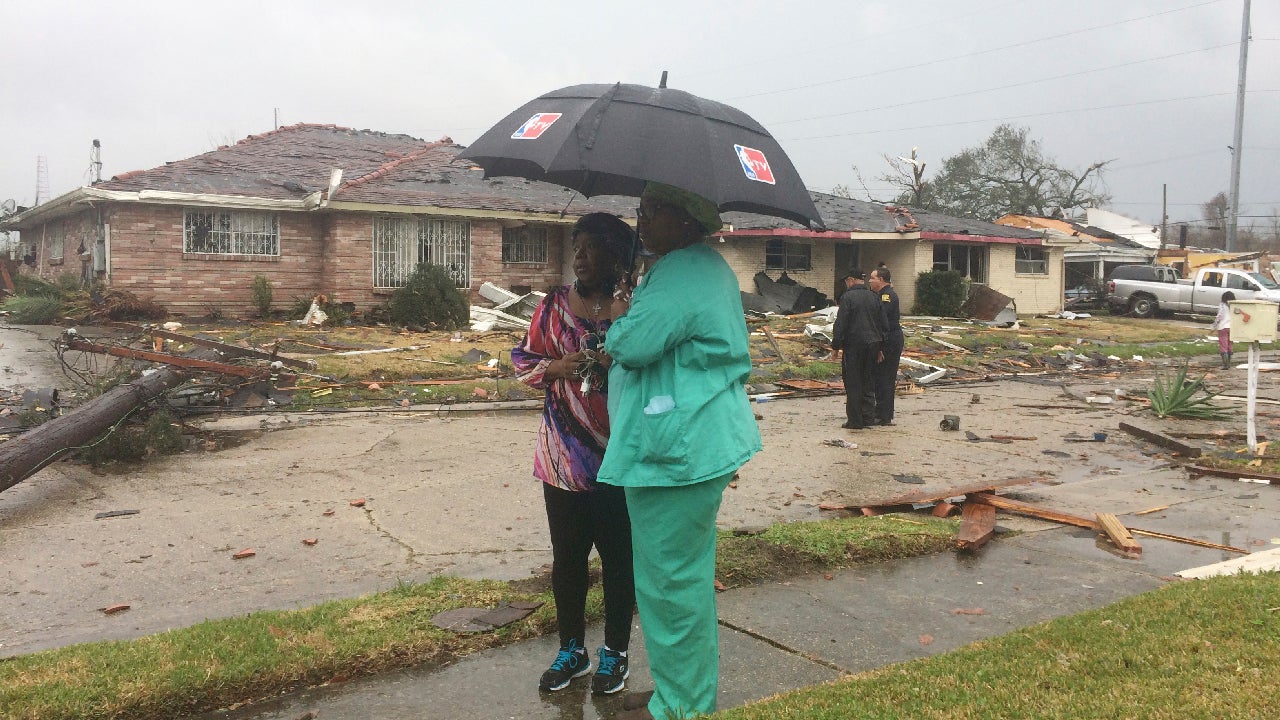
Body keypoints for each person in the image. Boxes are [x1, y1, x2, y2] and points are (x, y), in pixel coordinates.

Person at [601, 182, 762, 720]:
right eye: (640, 208)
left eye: (652, 211)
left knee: (670, 584)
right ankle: (683, 691)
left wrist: (623, 314)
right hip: (695, 437)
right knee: (682, 578)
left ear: (687, 220)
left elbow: (632, 344)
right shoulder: (705, 268)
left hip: (676, 448)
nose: (640, 220)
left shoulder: (681, 271)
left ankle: (681, 707)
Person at [510, 212, 637, 696]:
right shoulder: (554, 306)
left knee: (619, 560)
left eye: (591, 248)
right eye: (576, 247)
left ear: (617, 254)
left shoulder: (635, 306)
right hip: (562, 454)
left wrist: (619, 345)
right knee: (568, 560)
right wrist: (557, 366)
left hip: (621, 455)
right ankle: (571, 650)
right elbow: (522, 360)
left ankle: (616, 653)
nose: (579, 257)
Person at [832, 268, 888, 429]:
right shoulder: (874, 297)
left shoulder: (847, 297)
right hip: (873, 345)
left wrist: (836, 346)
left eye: (846, 281)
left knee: (853, 382)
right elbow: (883, 324)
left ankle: (855, 420)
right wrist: (880, 347)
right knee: (868, 380)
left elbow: (841, 324)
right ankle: (868, 417)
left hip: (854, 346)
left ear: (850, 280)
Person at [868, 267, 903, 425]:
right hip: (886, 339)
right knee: (879, 377)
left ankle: (884, 415)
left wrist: (880, 346)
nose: (870, 281)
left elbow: (883, 322)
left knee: (885, 378)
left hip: (890, 340)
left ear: (881, 280)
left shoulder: (886, 296)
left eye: (872, 278)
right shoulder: (880, 295)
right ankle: (880, 412)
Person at [1215, 291, 1236, 368]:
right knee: (1230, 344)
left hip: (1223, 327)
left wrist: (1214, 326)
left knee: (1223, 345)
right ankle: (1229, 362)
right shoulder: (1234, 305)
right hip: (1232, 327)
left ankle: (1225, 364)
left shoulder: (1222, 305)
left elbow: (1219, 316)